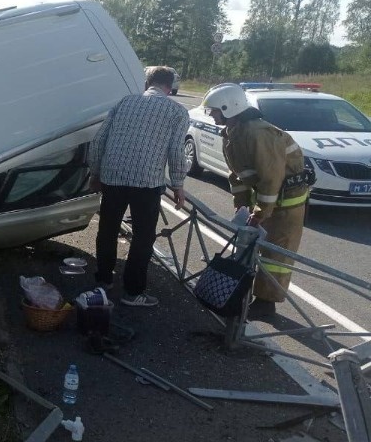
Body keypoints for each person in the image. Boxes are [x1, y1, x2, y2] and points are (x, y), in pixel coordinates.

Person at [201, 83, 310, 319]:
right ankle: (252, 295)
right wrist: (241, 202)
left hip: (286, 204)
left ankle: (266, 303)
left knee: (276, 256)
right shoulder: (234, 131)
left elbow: (271, 178)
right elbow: (238, 172)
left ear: (228, 108)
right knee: (256, 249)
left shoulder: (258, 134)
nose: (211, 115)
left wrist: (261, 210)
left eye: (214, 111)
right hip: (269, 201)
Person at [88, 66, 189, 307]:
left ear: (147, 83)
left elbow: (99, 139)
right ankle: (133, 293)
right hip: (148, 182)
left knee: (108, 229)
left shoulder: (125, 103)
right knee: (143, 238)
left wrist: (95, 173)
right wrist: (178, 185)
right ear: (170, 87)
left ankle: (103, 280)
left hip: (113, 177)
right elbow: (176, 150)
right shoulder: (177, 112)